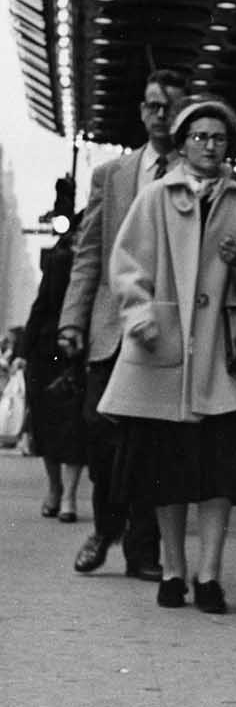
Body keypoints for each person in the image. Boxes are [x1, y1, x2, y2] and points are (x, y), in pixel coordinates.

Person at [98, 97, 236, 613]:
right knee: (167, 476)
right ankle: (174, 570)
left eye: (218, 138)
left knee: (220, 476)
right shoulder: (156, 197)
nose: (210, 145)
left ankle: (210, 575)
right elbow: (126, 262)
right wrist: (140, 316)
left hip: (220, 365)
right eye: (200, 137)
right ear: (181, 145)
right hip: (165, 354)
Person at [57, 68, 187, 581]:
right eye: (154, 106)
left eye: (171, 107)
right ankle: (106, 526)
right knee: (101, 436)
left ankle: (143, 550)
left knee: (153, 444)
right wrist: (72, 321)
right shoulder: (111, 175)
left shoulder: (194, 178)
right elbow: (88, 255)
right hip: (111, 329)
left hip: (166, 329)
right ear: (141, 111)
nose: (161, 116)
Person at [18, 223, 87, 521]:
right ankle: (55, 488)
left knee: (74, 428)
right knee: (46, 425)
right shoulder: (60, 262)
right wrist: (24, 352)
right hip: (47, 353)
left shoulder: (104, 263)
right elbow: (41, 304)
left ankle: (69, 497)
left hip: (81, 352)